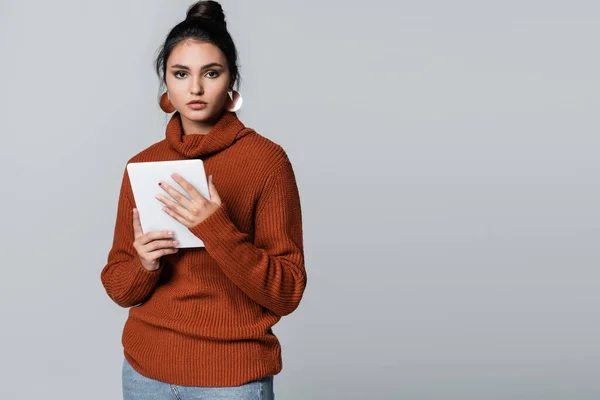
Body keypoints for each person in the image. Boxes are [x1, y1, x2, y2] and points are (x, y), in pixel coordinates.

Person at [100, 1, 307, 398]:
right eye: (181, 74)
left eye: (211, 73)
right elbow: (118, 286)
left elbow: (288, 291)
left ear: (232, 82)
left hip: (231, 379)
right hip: (145, 373)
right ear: (166, 83)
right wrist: (144, 264)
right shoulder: (143, 164)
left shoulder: (266, 161)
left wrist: (216, 228)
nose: (195, 89)